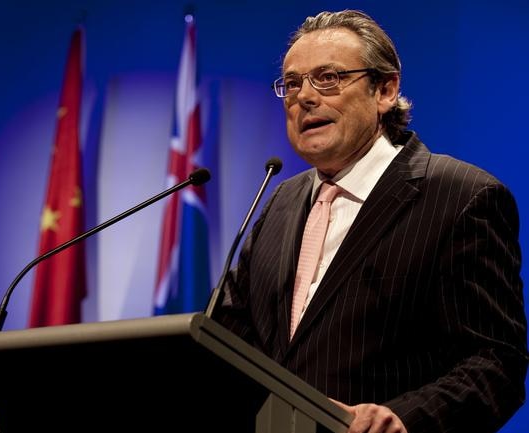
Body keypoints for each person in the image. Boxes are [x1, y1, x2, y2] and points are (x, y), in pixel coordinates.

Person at [213, 9, 528, 433]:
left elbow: (496, 363)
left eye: (328, 78)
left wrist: (403, 416)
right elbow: (229, 339)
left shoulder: (461, 196)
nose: (305, 96)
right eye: (292, 83)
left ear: (385, 90)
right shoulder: (280, 201)